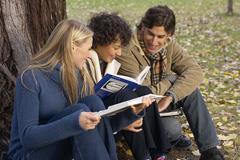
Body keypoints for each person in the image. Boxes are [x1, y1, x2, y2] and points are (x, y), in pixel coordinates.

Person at [7, 19, 149, 160]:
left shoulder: (80, 75)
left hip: (62, 144)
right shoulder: (31, 78)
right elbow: (28, 137)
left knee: (92, 102)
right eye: (88, 49)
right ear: (72, 46)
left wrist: (128, 116)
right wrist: (75, 122)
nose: (89, 55)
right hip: (28, 153)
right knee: (79, 111)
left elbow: (95, 132)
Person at [116, 5, 224, 160]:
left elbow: (195, 71)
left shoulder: (169, 45)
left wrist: (171, 96)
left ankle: (209, 150)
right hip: (142, 109)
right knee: (172, 131)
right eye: (150, 34)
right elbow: (142, 91)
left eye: (160, 37)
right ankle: (167, 140)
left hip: (161, 100)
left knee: (192, 90)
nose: (154, 41)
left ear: (169, 35)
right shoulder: (127, 49)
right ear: (142, 28)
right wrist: (171, 81)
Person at [87, 12, 172, 160]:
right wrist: (121, 122)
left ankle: (158, 152)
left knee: (144, 92)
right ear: (101, 41)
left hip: (110, 111)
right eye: (115, 47)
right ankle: (144, 156)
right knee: (126, 97)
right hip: (97, 120)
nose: (119, 53)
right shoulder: (87, 60)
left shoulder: (107, 61)